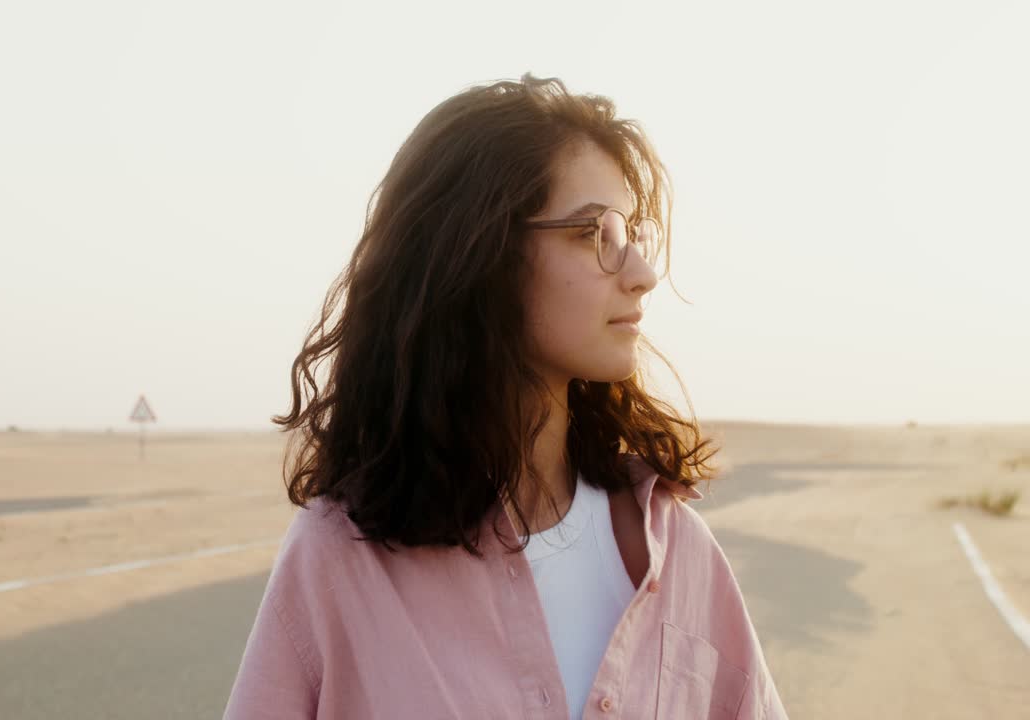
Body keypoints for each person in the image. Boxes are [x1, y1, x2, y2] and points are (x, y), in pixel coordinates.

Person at [223, 72, 787, 720]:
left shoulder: (679, 554)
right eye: (594, 234)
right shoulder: (338, 559)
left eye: (633, 233)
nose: (641, 273)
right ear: (478, 253)